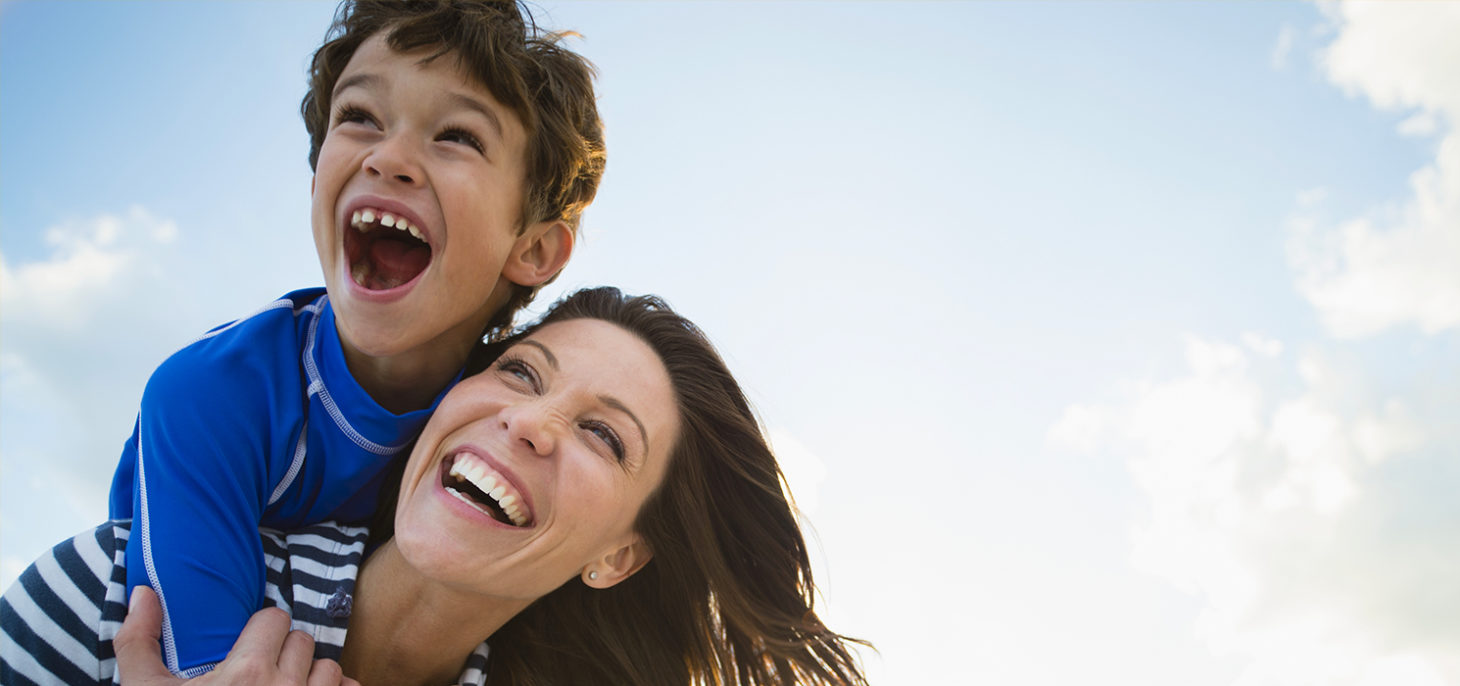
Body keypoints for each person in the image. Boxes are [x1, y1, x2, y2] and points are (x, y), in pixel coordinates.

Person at [3, 287, 870, 686]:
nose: (532, 422)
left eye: (602, 434)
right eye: (523, 373)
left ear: (617, 556)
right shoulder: (124, 591)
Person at [103, 0, 605, 678]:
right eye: (360, 118)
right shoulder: (208, 396)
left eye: (457, 135)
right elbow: (216, 673)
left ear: (536, 248)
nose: (388, 157)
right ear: (318, 182)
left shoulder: (507, 433)